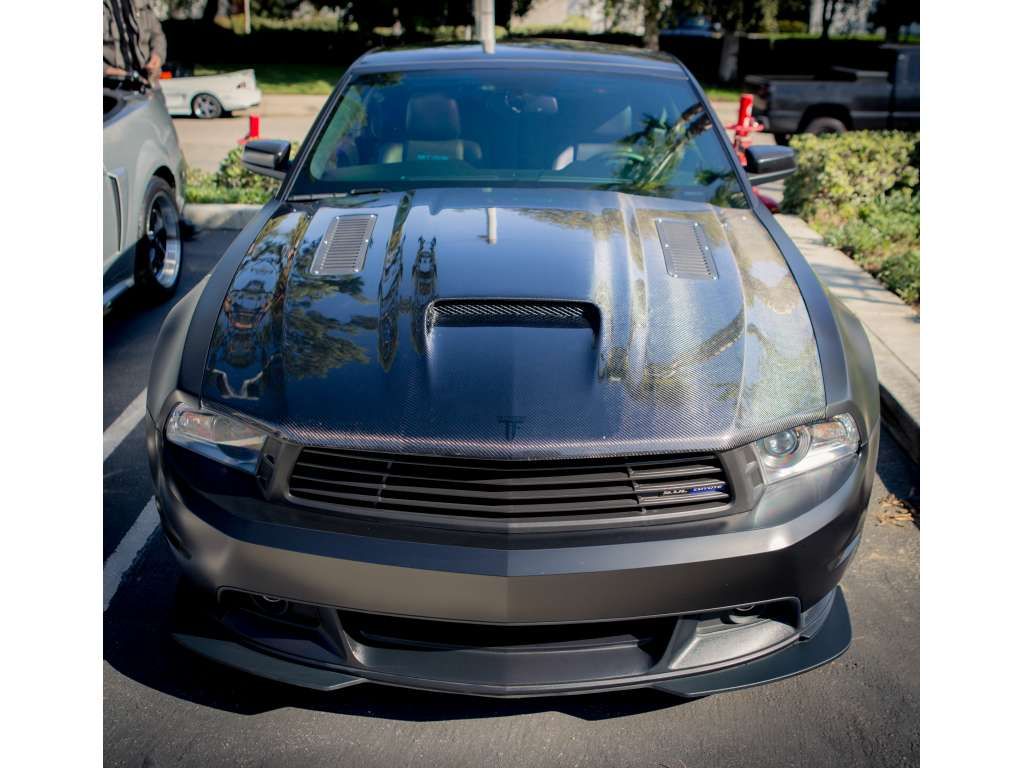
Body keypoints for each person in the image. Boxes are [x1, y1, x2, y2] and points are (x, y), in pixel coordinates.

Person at [103, 0, 166, 82]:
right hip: (109, 85)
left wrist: (156, 57)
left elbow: (157, 35)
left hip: (146, 82)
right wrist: (107, 70)